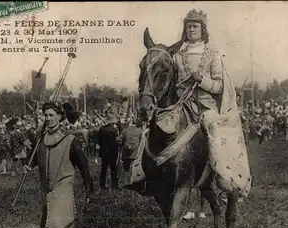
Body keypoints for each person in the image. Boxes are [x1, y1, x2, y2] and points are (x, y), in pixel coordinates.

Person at [128, 8, 251, 196]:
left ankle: (221, 176)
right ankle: (142, 175)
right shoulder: (177, 54)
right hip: (181, 104)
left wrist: (202, 79)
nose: (191, 29)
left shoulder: (212, 54)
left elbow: (219, 86)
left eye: (195, 26)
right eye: (188, 26)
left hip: (205, 106)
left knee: (214, 130)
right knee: (151, 127)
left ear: (203, 29)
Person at [23, 101, 94, 228]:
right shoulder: (42, 139)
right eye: (45, 115)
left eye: (51, 115)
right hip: (46, 186)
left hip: (63, 183)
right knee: (59, 221)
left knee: (54, 222)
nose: (47, 119)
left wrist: (89, 187)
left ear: (60, 116)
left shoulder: (70, 140)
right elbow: (36, 156)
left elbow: (84, 166)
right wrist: (28, 165)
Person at [98, 113, 121, 190]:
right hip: (113, 152)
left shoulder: (101, 129)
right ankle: (114, 186)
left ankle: (102, 185)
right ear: (113, 122)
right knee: (113, 169)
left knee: (103, 169)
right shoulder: (115, 130)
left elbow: (99, 141)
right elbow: (117, 140)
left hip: (104, 152)